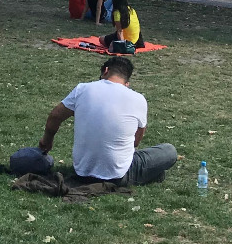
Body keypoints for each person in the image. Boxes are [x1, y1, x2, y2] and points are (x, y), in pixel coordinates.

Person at [38, 56, 177, 185]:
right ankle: (151, 174)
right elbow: (136, 141)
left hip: (81, 171)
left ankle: (152, 174)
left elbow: (55, 116)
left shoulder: (82, 89)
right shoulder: (138, 99)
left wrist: (47, 140)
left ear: (105, 71)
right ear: (127, 82)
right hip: (117, 175)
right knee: (169, 151)